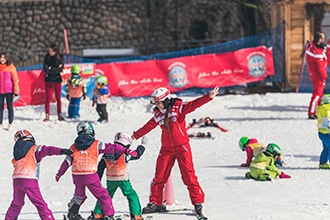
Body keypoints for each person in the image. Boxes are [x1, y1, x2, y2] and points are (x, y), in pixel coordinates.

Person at [131, 86, 219, 219]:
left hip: (182, 147)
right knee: (159, 175)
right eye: (156, 104)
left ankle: (197, 203)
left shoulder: (179, 108)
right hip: (166, 148)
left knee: (188, 175)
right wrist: (134, 136)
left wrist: (208, 97)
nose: (157, 106)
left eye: (159, 103)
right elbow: (147, 126)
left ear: (166, 100)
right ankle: (155, 202)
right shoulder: (158, 114)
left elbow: (193, 105)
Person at [55, 121, 141, 220]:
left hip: (77, 176)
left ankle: (72, 213)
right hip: (90, 175)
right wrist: (127, 151)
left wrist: (59, 173)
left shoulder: (73, 147)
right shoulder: (96, 144)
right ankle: (109, 216)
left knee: (79, 195)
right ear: (92, 131)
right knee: (103, 196)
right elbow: (113, 148)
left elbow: (67, 162)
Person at [5, 129, 72, 220]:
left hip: (17, 181)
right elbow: (48, 150)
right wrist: (61, 151)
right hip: (29, 180)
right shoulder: (34, 149)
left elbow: (14, 163)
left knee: (17, 203)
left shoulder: (16, 153)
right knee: (40, 204)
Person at [90, 132, 146, 220]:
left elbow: (100, 167)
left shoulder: (106, 154)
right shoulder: (125, 154)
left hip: (110, 178)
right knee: (131, 195)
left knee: (105, 196)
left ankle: (98, 214)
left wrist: (97, 180)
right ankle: (136, 215)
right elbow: (137, 154)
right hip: (123, 178)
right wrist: (142, 145)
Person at [306, 32, 328, 119]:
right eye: (322, 38)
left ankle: (316, 110)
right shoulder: (317, 53)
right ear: (319, 40)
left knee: (319, 94)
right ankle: (312, 112)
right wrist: (324, 76)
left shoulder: (313, 48)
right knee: (317, 94)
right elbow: (320, 67)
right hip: (318, 76)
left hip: (315, 75)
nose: (323, 40)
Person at [43, 43, 65, 122]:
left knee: (58, 98)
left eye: (51, 51)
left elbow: (61, 68)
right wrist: (54, 69)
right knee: (48, 98)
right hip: (48, 79)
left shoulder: (60, 57)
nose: (50, 52)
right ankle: (47, 114)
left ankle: (59, 114)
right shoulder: (47, 57)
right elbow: (45, 69)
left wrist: (51, 69)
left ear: (55, 51)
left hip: (57, 79)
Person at [0, 52, 19, 130]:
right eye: (1, 58)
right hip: (0, 91)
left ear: (7, 58)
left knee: (10, 107)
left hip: (9, 91)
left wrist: (15, 91)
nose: (2, 59)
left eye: (4, 58)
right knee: (0, 108)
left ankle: (10, 123)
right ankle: (0, 123)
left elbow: (15, 79)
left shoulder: (11, 67)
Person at [316, 94, 330, 169]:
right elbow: (328, 119)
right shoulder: (328, 108)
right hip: (327, 132)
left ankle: (323, 162)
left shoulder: (320, 108)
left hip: (321, 132)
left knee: (326, 148)